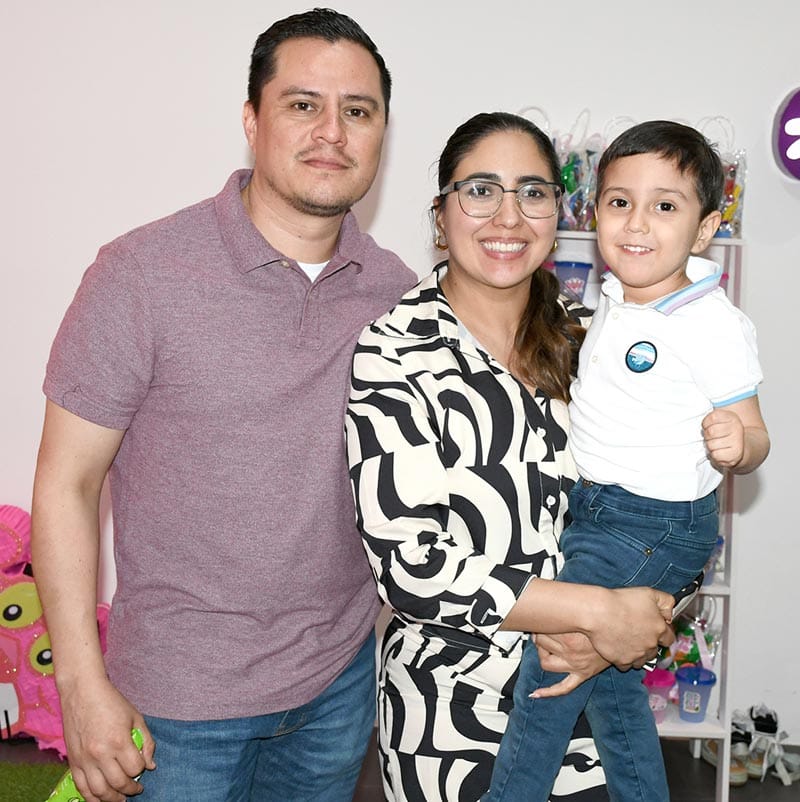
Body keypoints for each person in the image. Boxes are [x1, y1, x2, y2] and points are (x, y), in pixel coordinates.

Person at [30, 9, 416, 802]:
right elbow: (68, 483)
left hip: (337, 691)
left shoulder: (396, 293)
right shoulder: (140, 274)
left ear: (382, 132)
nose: (332, 132)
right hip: (175, 705)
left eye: (358, 110)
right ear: (251, 120)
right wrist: (79, 683)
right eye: (303, 104)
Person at [344, 111, 678, 802]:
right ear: (441, 216)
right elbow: (412, 566)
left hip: (590, 702)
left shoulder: (598, 342)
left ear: (558, 214)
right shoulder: (395, 350)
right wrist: (596, 613)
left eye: (532, 192)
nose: (508, 215)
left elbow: (671, 500)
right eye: (480, 190)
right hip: (453, 721)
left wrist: (636, 617)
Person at [484, 120, 770, 801]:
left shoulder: (710, 321)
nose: (637, 222)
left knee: (552, 664)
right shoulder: (613, 298)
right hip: (601, 511)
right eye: (619, 201)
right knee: (611, 684)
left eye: (665, 205)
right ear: (595, 213)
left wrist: (739, 444)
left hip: (650, 522)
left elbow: (756, 434)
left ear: (704, 229)